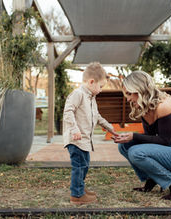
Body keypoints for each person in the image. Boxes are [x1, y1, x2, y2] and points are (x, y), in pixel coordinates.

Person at [113, 71, 171, 200]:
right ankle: (152, 178)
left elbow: (164, 140)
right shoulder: (145, 105)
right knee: (125, 146)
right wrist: (128, 138)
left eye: (129, 94)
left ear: (140, 89)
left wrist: (134, 136)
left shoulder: (165, 105)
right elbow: (150, 138)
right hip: (168, 151)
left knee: (136, 152)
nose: (128, 99)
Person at [63, 62, 118, 205]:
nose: (101, 90)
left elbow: (97, 116)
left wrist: (110, 127)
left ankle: (80, 188)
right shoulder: (78, 94)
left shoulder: (91, 98)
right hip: (76, 139)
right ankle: (76, 195)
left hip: (85, 141)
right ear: (91, 82)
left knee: (84, 165)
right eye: (100, 86)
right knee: (79, 165)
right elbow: (68, 112)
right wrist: (74, 129)